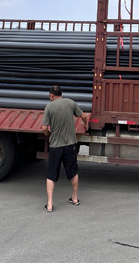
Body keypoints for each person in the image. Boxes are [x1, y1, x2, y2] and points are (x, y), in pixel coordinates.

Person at [41, 85, 89, 213]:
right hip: (70, 145)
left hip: (55, 146)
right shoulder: (70, 103)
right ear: (61, 94)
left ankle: (50, 204)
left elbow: (44, 128)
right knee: (73, 171)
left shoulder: (49, 107)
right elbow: (84, 116)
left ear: (51, 95)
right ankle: (75, 198)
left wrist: (48, 134)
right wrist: (86, 125)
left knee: (51, 174)